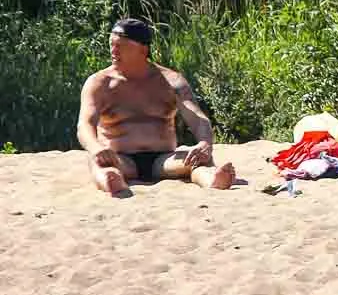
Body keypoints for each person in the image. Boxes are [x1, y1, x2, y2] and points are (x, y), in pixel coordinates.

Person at [78, 17, 237, 194]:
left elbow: (197, 117)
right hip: (120, 159)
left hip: (163, 159)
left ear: (143, 50)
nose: (114, 51)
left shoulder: (171, 80)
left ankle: (212, 179)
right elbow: (85, 124)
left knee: (198, 159)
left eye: (121, 46)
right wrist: (96, 147)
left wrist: (205, 143)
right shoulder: (99, 83)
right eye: (111, 45)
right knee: (99, 164)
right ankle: (113, 182)